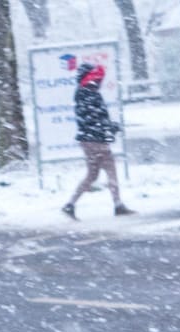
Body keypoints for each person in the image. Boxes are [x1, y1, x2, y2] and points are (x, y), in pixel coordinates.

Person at [61, 63, 133, 221]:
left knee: (92, 175)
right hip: (96, 140)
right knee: (110, 170)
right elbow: (96, 117)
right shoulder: (90, 94)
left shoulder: (81, 93)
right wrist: (108, 126)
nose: (99, 81)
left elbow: (90, 117)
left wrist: (106, 125)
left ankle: (70, 204)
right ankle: (118, 204)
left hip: (87, 140)